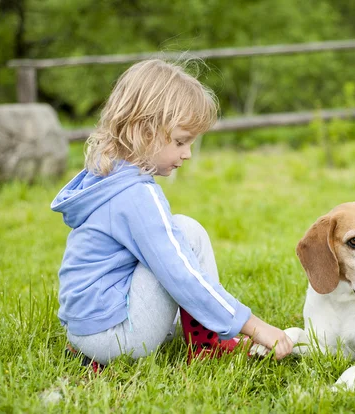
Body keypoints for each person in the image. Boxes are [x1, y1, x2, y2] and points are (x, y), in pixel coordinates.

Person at [51, 59, 294, 367]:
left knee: (175, 239)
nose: (187, 153)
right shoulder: (137, 194)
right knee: (186, 234)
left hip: (82, 331)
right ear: (145, 130)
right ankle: (209, 342)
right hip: (116, 338)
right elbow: (182, 276)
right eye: (180, 141)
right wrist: (254, 325)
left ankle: (191, 333)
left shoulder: (106, 175)